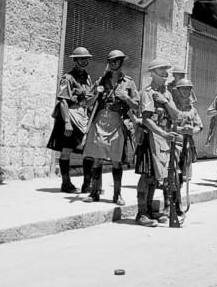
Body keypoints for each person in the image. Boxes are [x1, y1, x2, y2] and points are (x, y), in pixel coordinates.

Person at [83, 50, 139, 205]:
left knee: (116, 161)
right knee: (97, 159)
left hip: (117, 121)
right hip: (100, 119)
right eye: (111, 61)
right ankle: (94, 192)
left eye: (116, 61)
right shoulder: (101, 80)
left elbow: (137, 105)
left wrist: (126, 97)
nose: (113, 64)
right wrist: (96, 94)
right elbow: (86, 103)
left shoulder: (129, 82)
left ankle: (117, 195)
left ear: (121, 62)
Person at [134, 59, 181, 227]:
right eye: (161, 70)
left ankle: (148, 209)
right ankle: (141, 213)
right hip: (149, 138)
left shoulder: (166, 93)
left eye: (166, 70)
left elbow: (176, 116)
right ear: (152, 73)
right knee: (146, 175)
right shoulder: (147, 92)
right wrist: (164, 133)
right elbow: (146, 120)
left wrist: (165, 102)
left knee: (155, 176)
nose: (165, 73)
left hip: (163, 139)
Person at [47, 47, 96, 194]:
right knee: (66, 150)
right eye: (81, 58)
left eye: (86, 58)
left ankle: (87, 184)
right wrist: (67, 122)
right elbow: (63, 101)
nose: (84, 61)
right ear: (75, 60)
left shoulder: (87, 77)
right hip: (69, 116)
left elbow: (88, 98)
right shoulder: (67, 78)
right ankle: (66, 183)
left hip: (82, 117)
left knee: (88, 150)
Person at [170, 78, 203, 215]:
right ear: (177, 90)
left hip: (187, 145)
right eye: (183, 88)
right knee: (173, 175)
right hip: (173, 144)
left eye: (188, 89)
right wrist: (179, 129)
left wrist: (192, 130)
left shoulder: (192, 109)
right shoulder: (171, 106)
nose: (186, 91)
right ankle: (170, 204)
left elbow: (200, 126)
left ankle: (177, 202)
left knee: (182, 176)